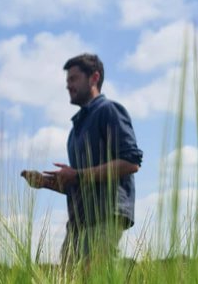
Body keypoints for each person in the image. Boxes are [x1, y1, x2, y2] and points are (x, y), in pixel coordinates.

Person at [22, 53, 142, 263]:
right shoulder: (75, 130)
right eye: (67, 81)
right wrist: (47, 183)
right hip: (79, 221)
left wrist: (76, 174)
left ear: (94, 78)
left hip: (105, 216)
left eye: (73, 79)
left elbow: (131, 162)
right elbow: (79, 182)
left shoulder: (109, 111)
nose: (68, 86)